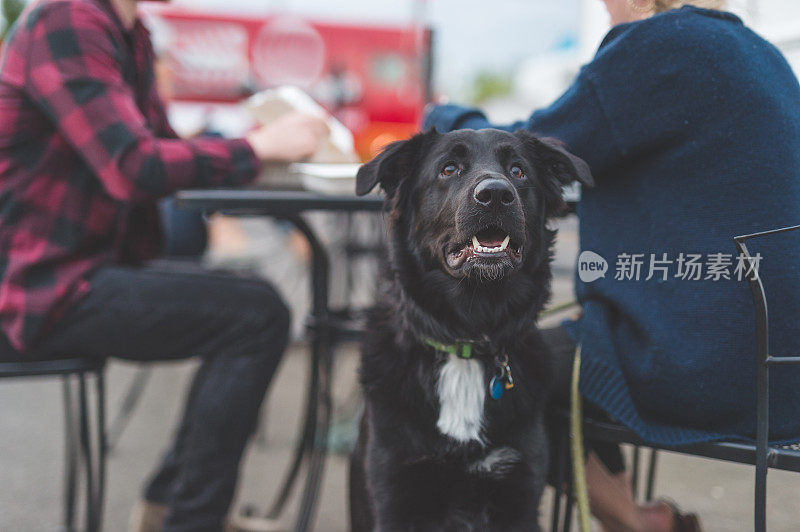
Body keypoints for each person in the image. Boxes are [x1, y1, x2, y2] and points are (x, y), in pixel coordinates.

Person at [424, 0, 800, 530]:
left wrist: (446, 118)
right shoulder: (764, 56)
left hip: (699, 368)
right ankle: (633, 513)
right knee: (575, 354)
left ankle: (634, 521)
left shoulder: (658, 46)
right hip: (783, 376)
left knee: (495, 376)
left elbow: (523, 149)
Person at [0, 0, 329, 530]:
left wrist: (266, 150)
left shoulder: (129, 31)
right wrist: (257, 147)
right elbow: (134, 167)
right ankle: (188, 518)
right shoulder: (66, 20)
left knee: (252, 302)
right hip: (36, 292)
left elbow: (165, 153)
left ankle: (168, 506)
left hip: (78, 274)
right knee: (257, 313)